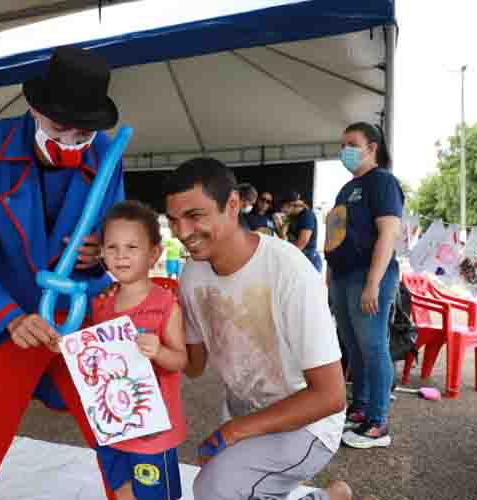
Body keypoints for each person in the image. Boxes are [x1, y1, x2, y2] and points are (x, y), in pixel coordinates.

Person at [0, 47, 125, 499]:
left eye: (83, 132)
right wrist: (8, 318)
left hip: (76, 317)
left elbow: (121, 236)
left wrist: (104, 254)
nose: (71, 141)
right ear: (34, 110)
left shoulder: (107, 154)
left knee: (132, 433)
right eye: (59, 128)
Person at [165, 158, 351, 500]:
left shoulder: (289, 270)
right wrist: (148, 316)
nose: (182, 232)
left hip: (308, 425)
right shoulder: (192, 275)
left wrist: (233, 432)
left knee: (214, 488)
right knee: (224, 485)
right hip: (247, 417)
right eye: (174, 220)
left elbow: (331, 396)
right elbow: (193, 366)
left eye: (195, 216)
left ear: (233, 205)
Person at [93, 201, 188, 500]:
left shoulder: (165, 305)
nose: (121, 255)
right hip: (112, 428)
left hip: (152, 434)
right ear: (102, 253)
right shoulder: (102, 304)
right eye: (112, 247)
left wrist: (159, 351)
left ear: (154, 253)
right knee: (123, 493)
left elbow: (180, 360)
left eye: (132, 247)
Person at [325, 122, 403, 449]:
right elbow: (335, 235)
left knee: (372, 346)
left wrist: (373, 282)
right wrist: (329, 278)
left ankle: (378, 422)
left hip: (368, 275)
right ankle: (361, 407)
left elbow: (388, 233)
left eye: (351, 144)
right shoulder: (346, 189)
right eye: (342, 144)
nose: (345, 150)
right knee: (352, 345)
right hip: (342, 276)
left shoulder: (383, 182)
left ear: (372, 148)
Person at [283, 193, 322, 272]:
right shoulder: (291, 216)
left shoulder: (307, 215)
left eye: (285, 207)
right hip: (298, 256)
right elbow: (283, 236)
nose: (283, 210)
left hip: (309, 258)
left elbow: (301, 243)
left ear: (291, 205)